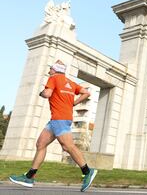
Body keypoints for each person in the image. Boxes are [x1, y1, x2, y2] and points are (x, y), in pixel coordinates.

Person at [9, 60, 98, 192]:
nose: (49, 70)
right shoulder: (71, 83)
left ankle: (87, 171)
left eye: (50, 68)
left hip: (59, 119)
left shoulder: (53, 78)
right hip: (58, 119)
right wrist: (74, 103)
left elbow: (47, 94)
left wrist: (41, 92)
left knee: (68, 146)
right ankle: (29, 177)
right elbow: (86, 93)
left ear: (55, 70)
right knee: (41, 144)